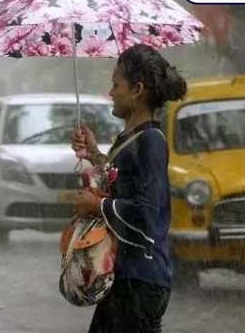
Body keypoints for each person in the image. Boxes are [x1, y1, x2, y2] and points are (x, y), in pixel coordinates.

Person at [70, 44, 187, 333]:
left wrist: (96, 206)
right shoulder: (131, 139)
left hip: (140, 279)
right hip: (126, 276)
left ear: (136, 89)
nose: (110, 92)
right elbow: (122, 185)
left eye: (115, 84)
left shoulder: (151, 141)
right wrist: (95, 155)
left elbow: (146, 212)